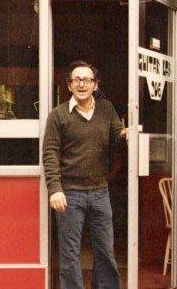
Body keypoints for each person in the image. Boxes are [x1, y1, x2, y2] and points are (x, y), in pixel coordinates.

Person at [43, 60, 127, 289]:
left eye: (87, 80)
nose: (82, 84)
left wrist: (126, 134)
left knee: (106, 251)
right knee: (70, 254)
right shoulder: (58, 115)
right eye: (76, 80)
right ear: (69, 85)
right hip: (70, 193)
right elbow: (50, 153)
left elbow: (117, 135)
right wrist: (55, 189)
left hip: (100, 191)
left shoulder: (107, 109)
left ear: (95, 85)